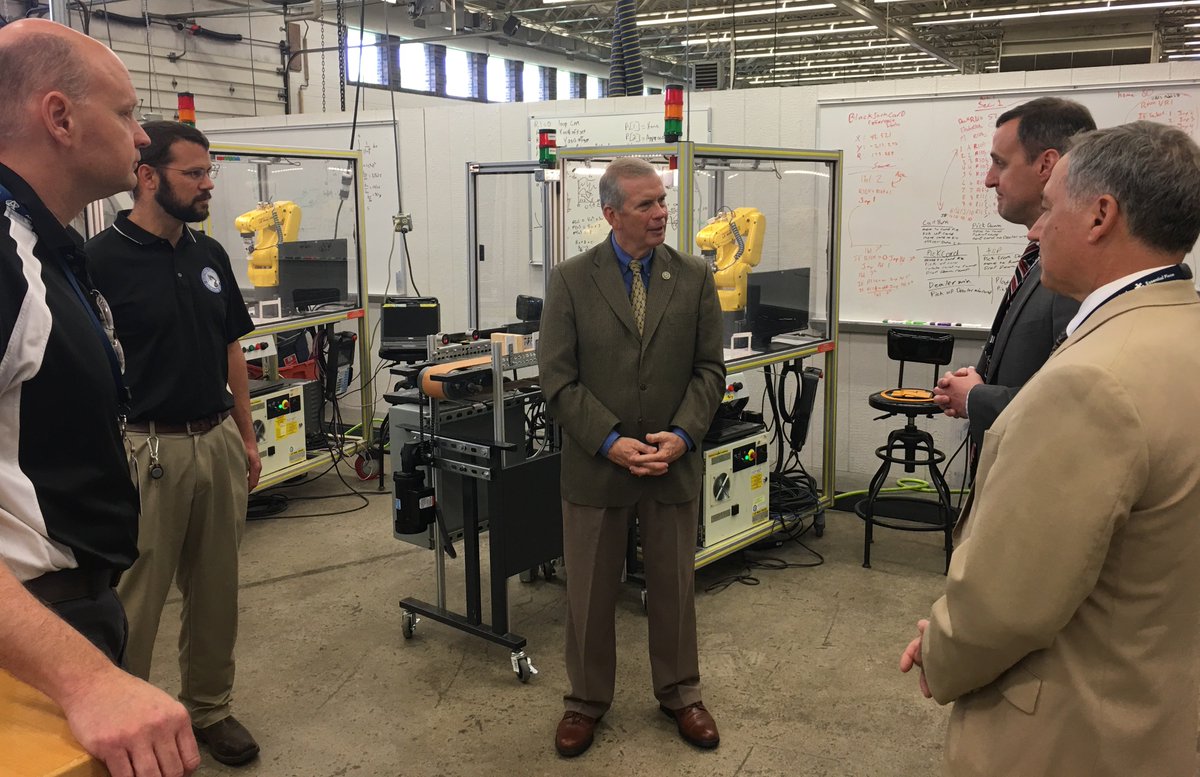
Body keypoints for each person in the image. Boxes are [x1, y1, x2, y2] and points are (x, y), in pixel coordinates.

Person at [900, 121, 1200, 776]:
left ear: (1100, 215)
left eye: (1049, 208)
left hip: (1076, 730)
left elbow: (1007, 605)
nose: (1035, 231)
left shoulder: (1093, 380)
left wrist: (942, 650)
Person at [0, 18, 200, 777]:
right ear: (58, 117)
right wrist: (82, 677)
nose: (141, 137)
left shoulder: (46, 247)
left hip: (66, 615)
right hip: (33, 632)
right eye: (125, 113)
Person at [85, 121, 261, 767]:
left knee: (217, 591)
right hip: (144, 450)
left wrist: (245, 436)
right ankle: (125, 721)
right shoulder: (98, 261)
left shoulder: (208, 254)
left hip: (215, 440)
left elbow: (230, 346)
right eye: (194, 173)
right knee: (135, 600)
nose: (207, 183)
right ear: (147, 176)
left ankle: (210, 707)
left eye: (209, 171)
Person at [539, 157, 725, 757]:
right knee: (590, 593)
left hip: (671, 462)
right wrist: (611, 441)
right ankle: (585, 700)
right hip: (597, 465)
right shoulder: (571, 280)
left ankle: (681, 693)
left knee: (673, 587)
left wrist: (684, 434)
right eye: (645, 205)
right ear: (611, 214)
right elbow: (557, 379)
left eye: (661, 201)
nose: (660, 213)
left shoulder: (694, 276)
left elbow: (709, 371)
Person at [933, 98, 1094, 462]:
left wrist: (977, 398)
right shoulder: (1040, 257)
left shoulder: (1077, 271)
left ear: (1046, 165)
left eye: (1000, 163)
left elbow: (1072, 406)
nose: (989, 179)